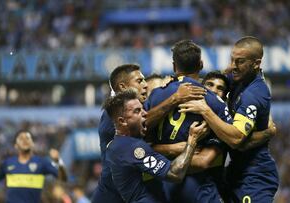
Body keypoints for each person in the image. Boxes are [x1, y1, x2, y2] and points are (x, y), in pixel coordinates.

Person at [180, 36, 279, 202]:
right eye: (232, 59)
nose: (233, 66)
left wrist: (206, 111)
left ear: (256, 64)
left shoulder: (253, 94)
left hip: (255, 175)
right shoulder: (238, 77)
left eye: (239, 61)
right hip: (234, 171)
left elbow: (235, 138)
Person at [91, 64, 205, 203]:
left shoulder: (135, 109)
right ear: (123, 87)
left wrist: (164, 89)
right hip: (114, 196)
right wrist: (174, 97)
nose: (145, 85)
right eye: (139, 81)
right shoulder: (112, 117)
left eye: (145, 81)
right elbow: (139, 137)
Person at [145, 39, 232, 202]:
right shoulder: (216, 103)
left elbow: (139, 136)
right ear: (201, 64)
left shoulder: (156, 95)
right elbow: (234, 137)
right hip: (200, 193)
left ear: (173, 66)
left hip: (163, 190)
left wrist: (161, 154)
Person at [0, 130, 67, 203]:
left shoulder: (42, 162)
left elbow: (63, 178)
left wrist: (59, 162)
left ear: (32, 144)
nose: (25, 140)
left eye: (28, 138)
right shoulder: (8, 163)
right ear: (16, 145)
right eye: (21, 138)